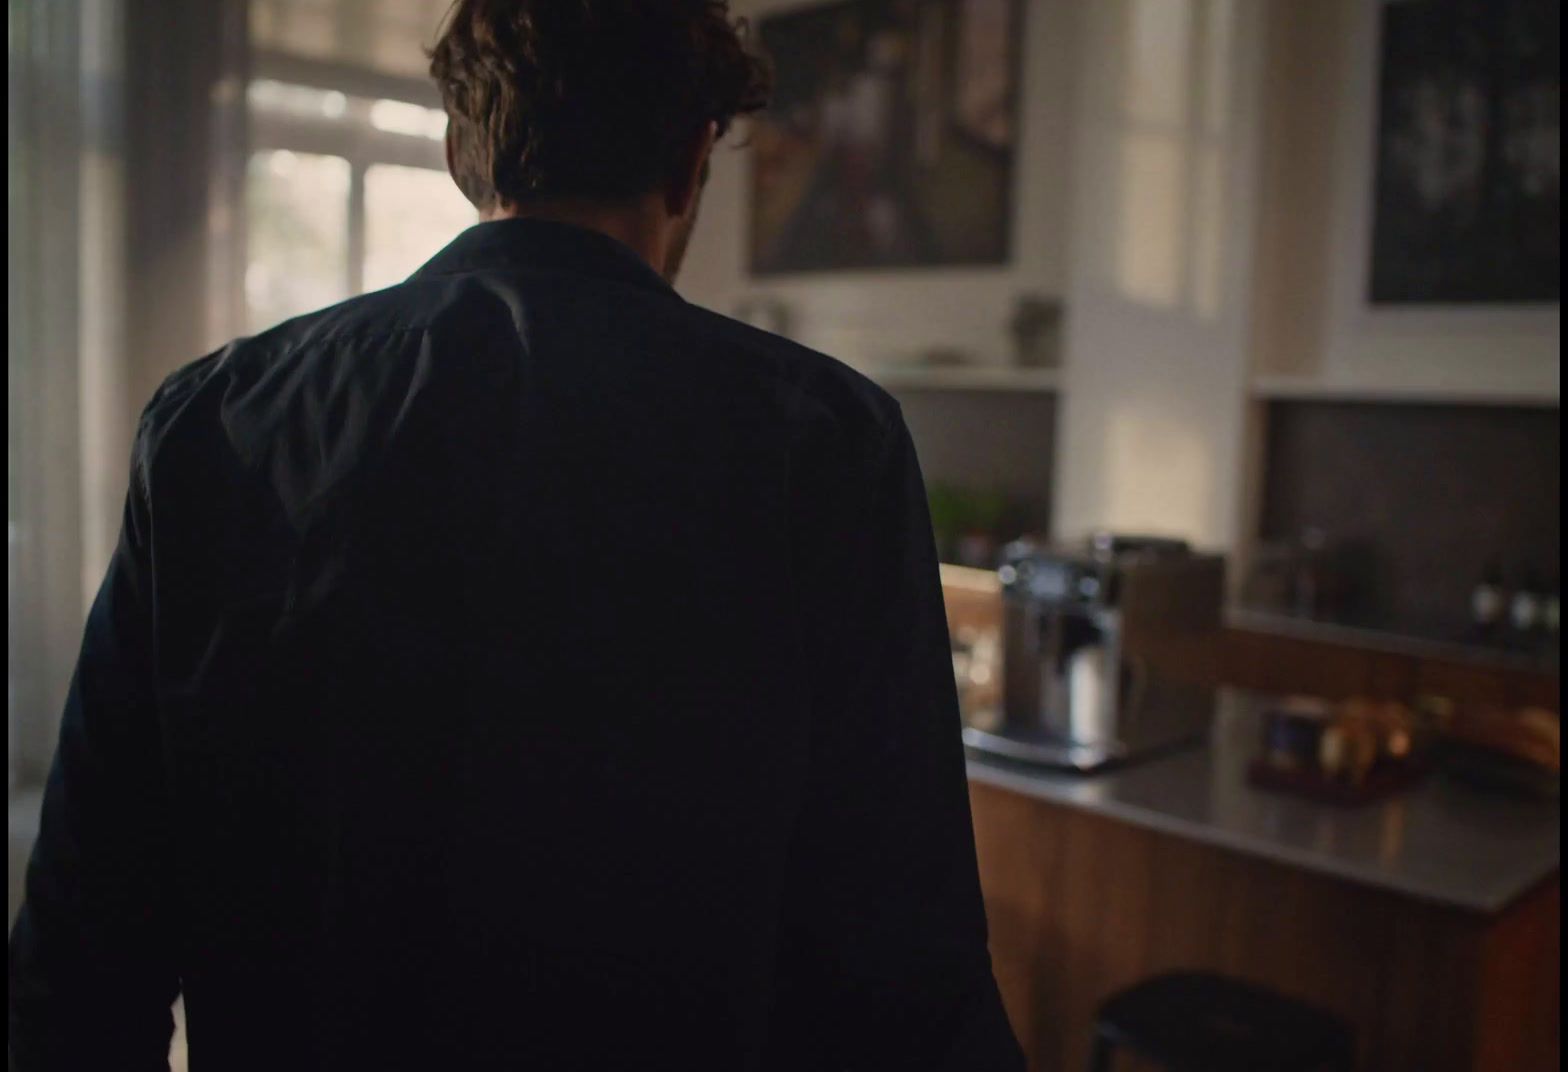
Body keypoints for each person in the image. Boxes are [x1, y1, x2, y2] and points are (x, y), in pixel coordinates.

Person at [7, 2, 1023, 1069]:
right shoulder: (823, 444)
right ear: (691, 163)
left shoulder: (214, 422)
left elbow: (85, 950)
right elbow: (904, 969)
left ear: (460, 151)